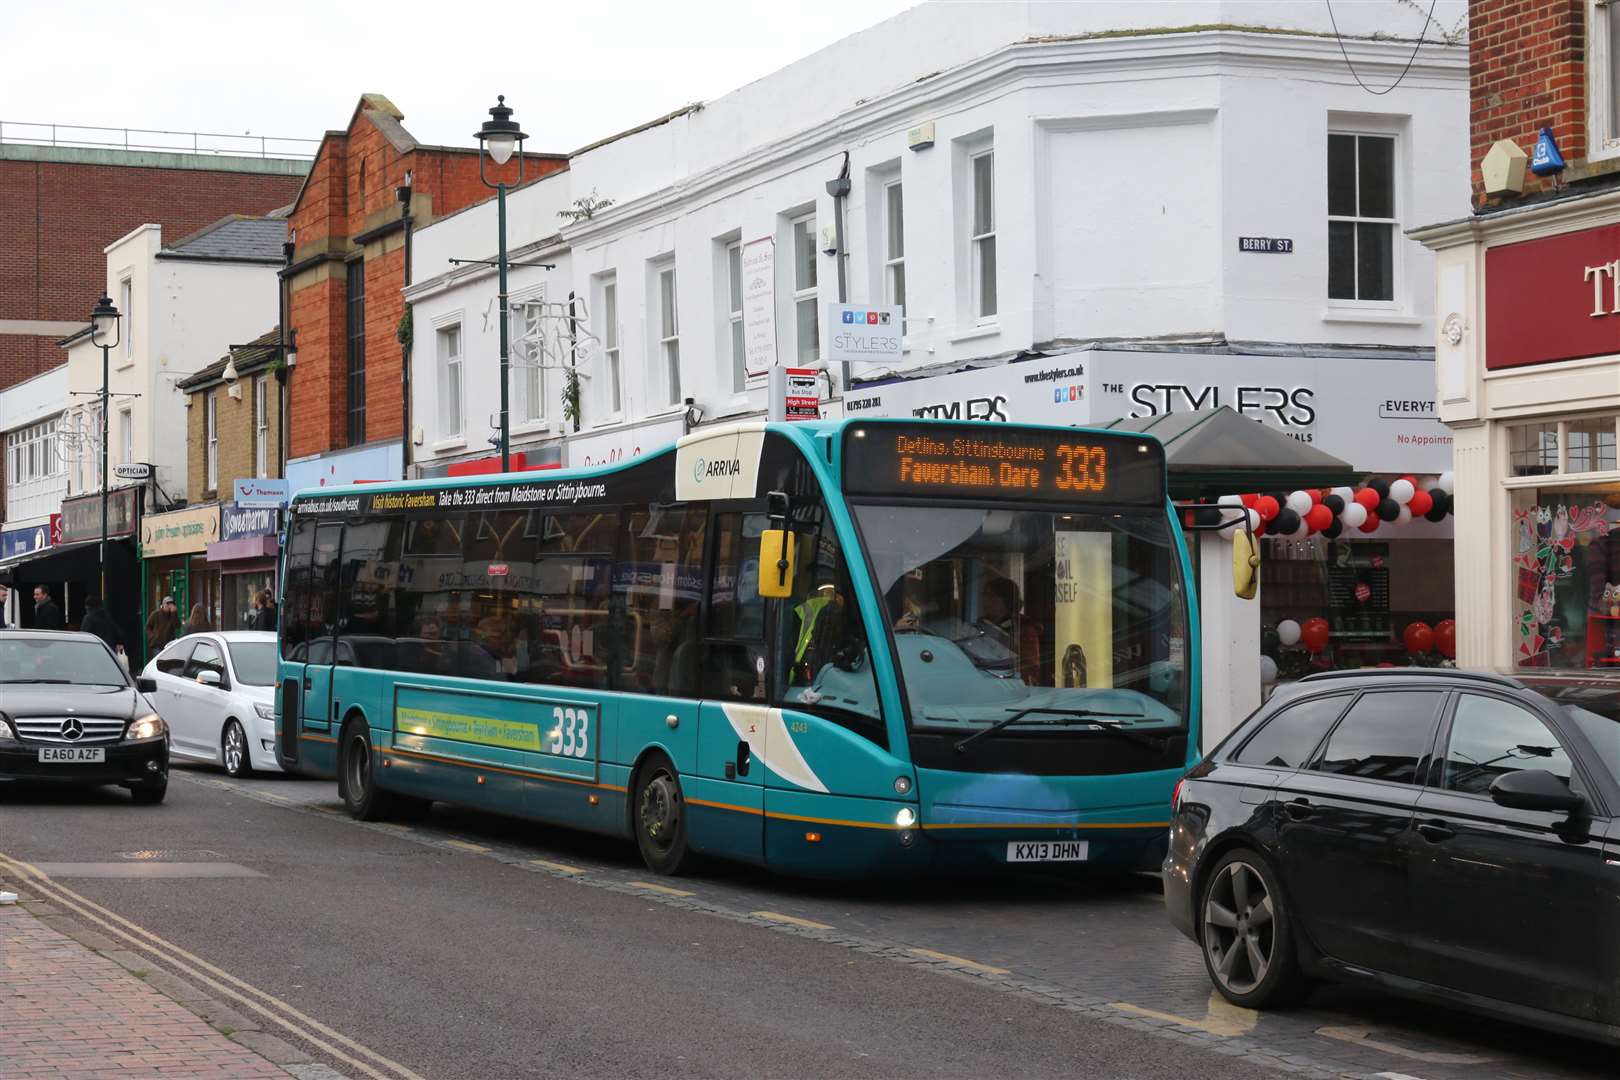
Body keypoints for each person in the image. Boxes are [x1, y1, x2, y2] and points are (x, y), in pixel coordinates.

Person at [980, 575, 1043, 685]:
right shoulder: (982, 625)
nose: (986, 601)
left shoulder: (1024, 629)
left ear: (1006, 599)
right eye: (985, 595)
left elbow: (1030, 667)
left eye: (992, 596)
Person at [80, 594, 125, 660]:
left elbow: (83, 636)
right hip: (109, 651)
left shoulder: (88, 618)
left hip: (93, 653)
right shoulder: (108, 617)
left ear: (87, 607)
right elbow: (118, 634)